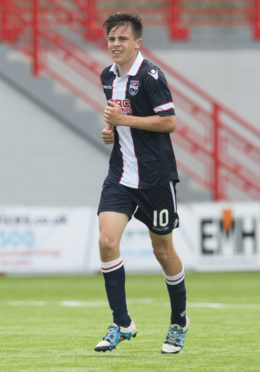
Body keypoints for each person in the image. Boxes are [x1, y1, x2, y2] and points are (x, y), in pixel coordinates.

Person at [94, 12, 189, 354]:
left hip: (155, 177)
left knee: (162, 250)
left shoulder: (150, 75)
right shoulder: (107, 76)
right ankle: (122, 323)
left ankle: (179, 321)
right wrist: (112, 130)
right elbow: (120, 121)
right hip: (121, 175)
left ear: (137, 43)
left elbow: (169, 122)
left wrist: (124, 120)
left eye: (123, 39)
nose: (116, 45)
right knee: (106, 240)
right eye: (111, 39)